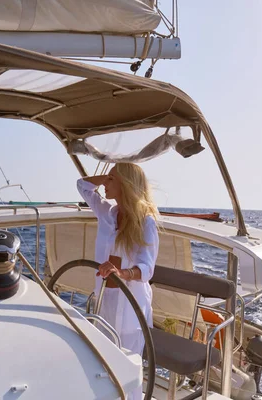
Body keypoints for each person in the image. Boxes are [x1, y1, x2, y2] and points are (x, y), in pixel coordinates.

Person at [77, 163, 159, 399]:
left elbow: (147, 268)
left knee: (127, 367)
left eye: (112, 180)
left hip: (131, 307)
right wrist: (107, 177)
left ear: (125, 184)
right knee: (104, 362)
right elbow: (82, 186)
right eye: (107, 180)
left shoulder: (146, 222)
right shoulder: (107, 212)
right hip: (105, 300)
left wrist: (122, 273)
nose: (105, 185)